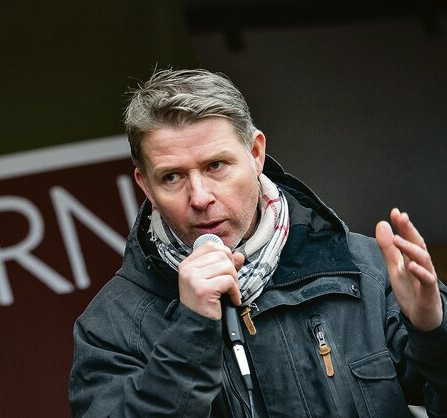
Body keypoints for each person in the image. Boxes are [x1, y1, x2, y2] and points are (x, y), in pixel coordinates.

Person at [68, 68, 447, 417]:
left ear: (255, 154)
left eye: (215, 166)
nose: (199, 197)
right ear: (145, 186)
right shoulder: (109, 326)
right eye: (172, 178)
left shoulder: (361, 267)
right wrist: (191, 329)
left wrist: (433, 328)